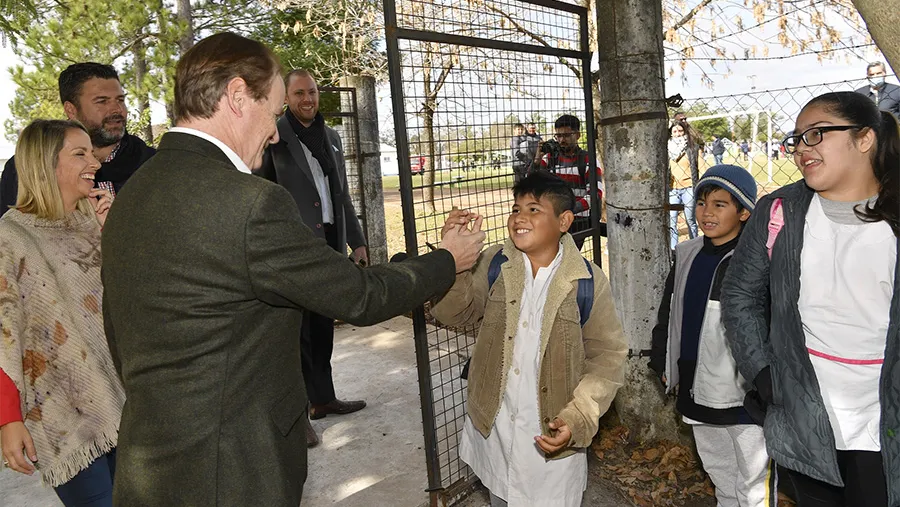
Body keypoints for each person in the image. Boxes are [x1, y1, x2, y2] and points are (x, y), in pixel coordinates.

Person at [100, 32, 485, 507]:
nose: (277, 131)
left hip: (152, 463)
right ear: (238, 97)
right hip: (233, 472)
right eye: (274, 109)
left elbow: (120, 333)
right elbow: (360, 296)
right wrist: (448, 258)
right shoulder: (249, 204)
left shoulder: (133, 193)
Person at [722, 91, 900, 506]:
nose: (802, 149)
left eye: (816, 135)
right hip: (805, 416)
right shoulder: (780, 211)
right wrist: (765, 375)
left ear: (865, 139)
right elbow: (740, 293)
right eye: (797, 139)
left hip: (883, 418)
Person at [430, 171, 627, 507]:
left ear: (564, 221)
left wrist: (578, 416)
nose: (519, 217)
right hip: (495, 431)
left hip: (552, 441)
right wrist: (457, 266)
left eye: (534, 209)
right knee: (500, 497)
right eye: (516, 208)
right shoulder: (494, 264)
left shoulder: (587, 282)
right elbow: (454, 315)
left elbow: (608, 358)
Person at [0, 119, 119, 507]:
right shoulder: (10, 237)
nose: (95, 162)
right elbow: (4, 334)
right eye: (80, 154)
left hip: (124, 395)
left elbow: (128, 302)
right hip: (61, 412)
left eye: (92, 151)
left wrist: (112, 236)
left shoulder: (94, 218)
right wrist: (8, 419)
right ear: (45, 164)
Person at [649, 165, 775, 506]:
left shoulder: (757, 261)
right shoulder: (688, 253)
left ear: (745, 211)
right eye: (702, 202)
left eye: (720, 204)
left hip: (742, 393)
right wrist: (663, 358)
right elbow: (669, 311)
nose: (706, 211)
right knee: (717, 467)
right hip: (695, 382)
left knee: (751, 479)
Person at [256, 69, 368, 448]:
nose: (308, 99)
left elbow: (342, 196)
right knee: (295, 334)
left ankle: (323, 398)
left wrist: (357, 241)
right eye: (299, 93)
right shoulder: (273, 140)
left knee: (321, 328)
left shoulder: (332, 137)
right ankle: (299, 415)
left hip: (329, 246)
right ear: (286, 97)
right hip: (293, 251)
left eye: (313, 92)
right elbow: (264, 197)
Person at [0, 63, 155, 217]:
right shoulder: (28, 168)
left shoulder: (152, 164)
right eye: (102, 101)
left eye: (120, 100)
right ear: (71, 110)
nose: (117, 109)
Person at [533, 114, 604, 249]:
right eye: (558, 136)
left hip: (577, 222)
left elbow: (595, 195)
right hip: (552, 220)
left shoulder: (588, 160)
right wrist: (536, 161)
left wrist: (568, 210)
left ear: (577, 135)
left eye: (566, 135)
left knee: (567, 261)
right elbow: (532, 184)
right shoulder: (549, 159)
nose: (561, 140)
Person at [668, 121, 699, 249]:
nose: (678, 134)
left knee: (690, 219)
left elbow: (700, 167)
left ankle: (695, 246)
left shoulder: (692, 148)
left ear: (685, 131)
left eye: (680, 131)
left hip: (689, 188)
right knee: (672, 220)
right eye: (674, 131)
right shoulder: (667, 149)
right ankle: (673, 249)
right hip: (673, 189)